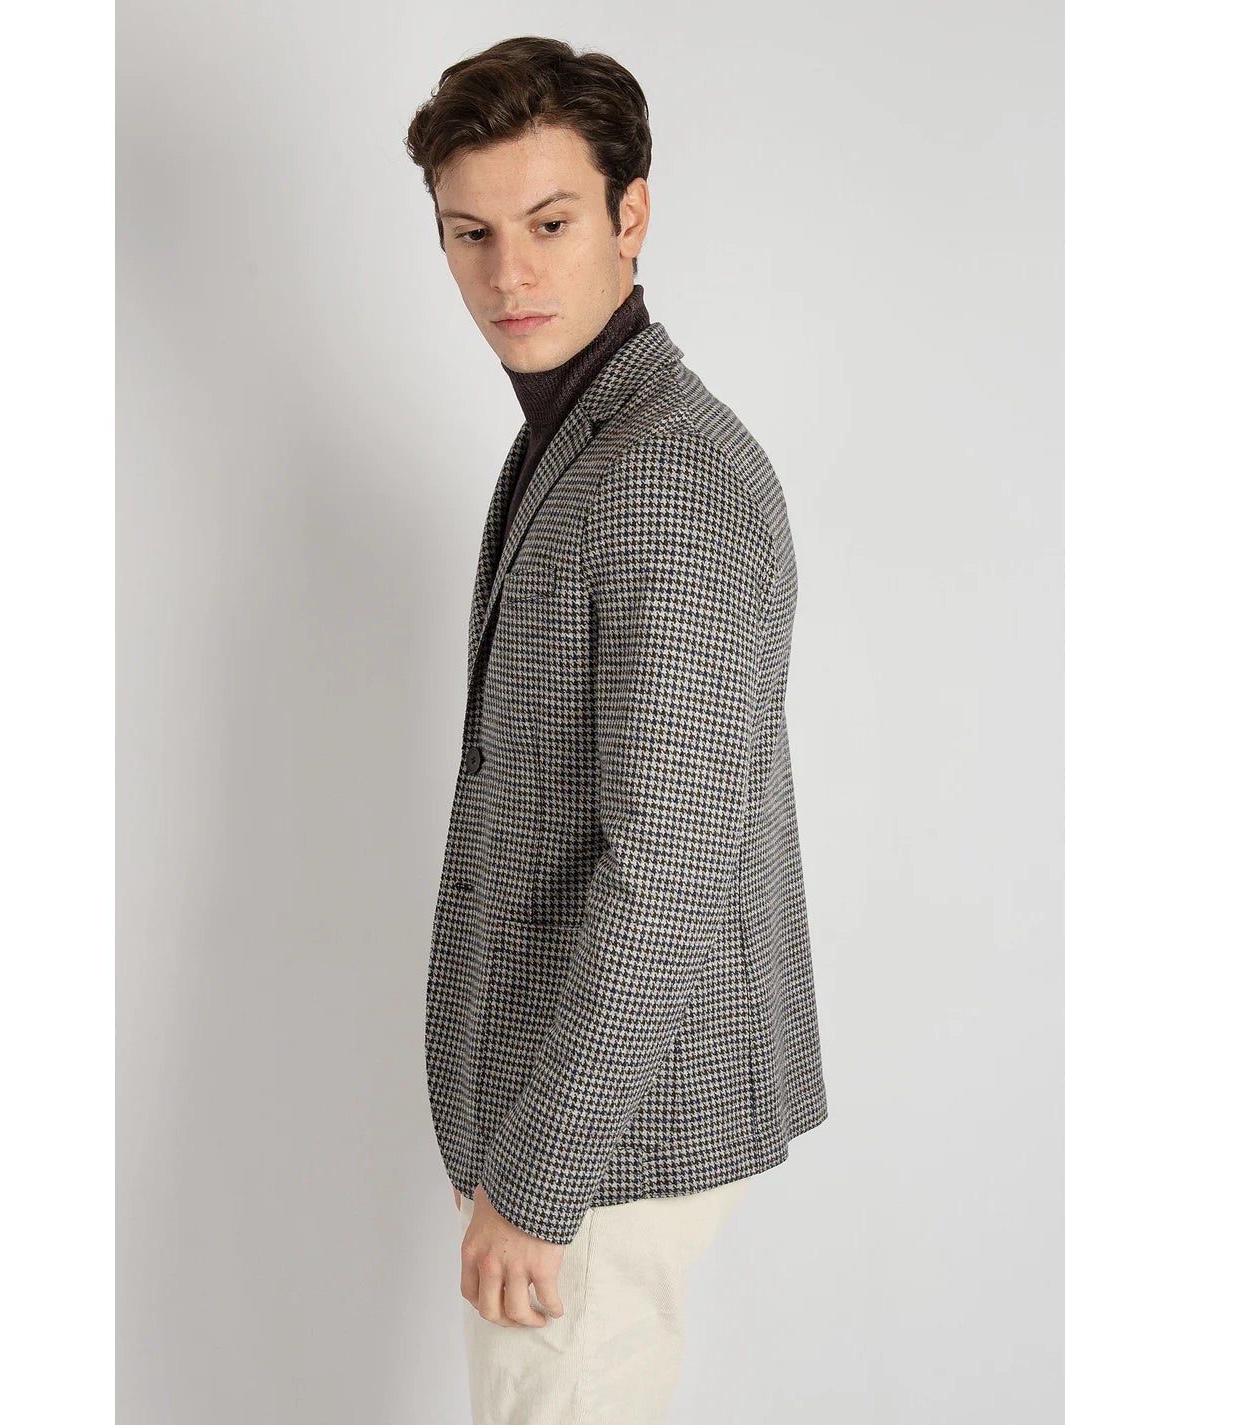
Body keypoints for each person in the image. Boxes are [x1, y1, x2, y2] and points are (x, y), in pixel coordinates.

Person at [404, 35, 829, 1424]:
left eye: (549, 224)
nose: (506, 276)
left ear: (630, 213)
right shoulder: (576, 436)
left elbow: (669, 871)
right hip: (574, 1116)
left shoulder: (662, 477)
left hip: (604, 1142)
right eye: (470, 234)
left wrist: (538, 1182)